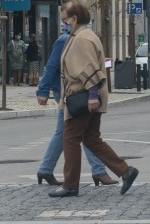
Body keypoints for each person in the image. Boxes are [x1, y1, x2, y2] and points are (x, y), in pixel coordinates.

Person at [48, 0, 139, 198]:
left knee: (70, 138)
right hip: (89, 95)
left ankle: (70, 185)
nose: (63, 23)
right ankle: (125, 171)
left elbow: (88, 68)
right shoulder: (83, 35)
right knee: (91, 138)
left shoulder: (81, 39)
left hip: (83, 96)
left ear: (74, 19)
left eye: (65, 20)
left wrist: (91, 96)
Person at [35, 22, 118, 188]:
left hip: (77, 91)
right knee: (81, 131)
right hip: (71, 93)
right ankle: (98, 170)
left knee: (65, 132)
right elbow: (52, 65)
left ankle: (46, 169)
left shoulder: (80, 39)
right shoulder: (65, 40)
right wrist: (42, 90)